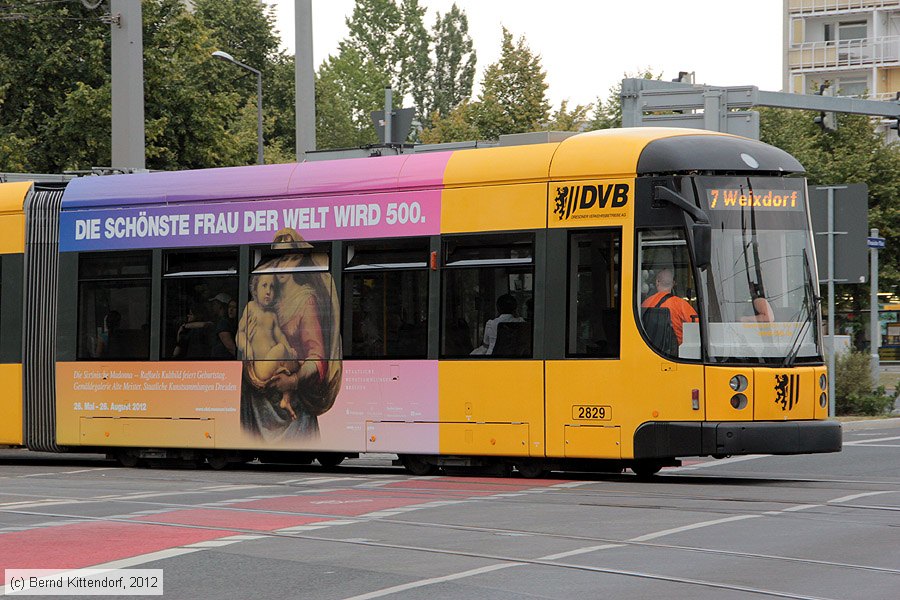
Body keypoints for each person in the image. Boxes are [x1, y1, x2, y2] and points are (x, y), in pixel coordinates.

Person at [240, 228, 342, 441]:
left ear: (299, 260)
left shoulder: (306, 300)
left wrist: (294, 380)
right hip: (258, 398)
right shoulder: (268, 296)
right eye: (279, 257)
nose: (283, 265)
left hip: (292, 405)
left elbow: (317, 357)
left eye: (290, 258)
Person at [237, 273, 299, 419]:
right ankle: (285, 390)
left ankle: (286, 399)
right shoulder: (250, 308)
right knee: (281, 350)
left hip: (272, 363)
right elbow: (240, 332)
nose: (268, 291)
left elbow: (280, 336)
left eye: (272, 287)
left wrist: (289, 349)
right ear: (254, 290)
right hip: (260, 368)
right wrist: (246, 346)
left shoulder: (272, 315)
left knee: (295, 362)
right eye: (264, 286)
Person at [641, 269, 697, 346]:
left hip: (648, 348)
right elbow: (696, 327)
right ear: (673, 283)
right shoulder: (681, 304)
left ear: (657, 282)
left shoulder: (646, 303)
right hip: (675, 354)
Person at [208, 292, 237, 359]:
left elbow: (231, 347)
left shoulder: (226, 322)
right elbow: (230, 347)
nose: (231, 310)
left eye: (214, 304)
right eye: (230, 307)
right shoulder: (223, 322)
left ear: (221, 305)